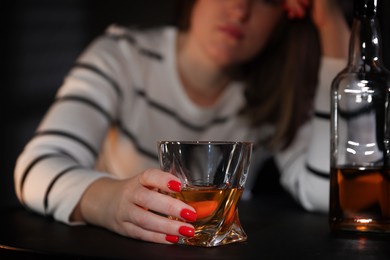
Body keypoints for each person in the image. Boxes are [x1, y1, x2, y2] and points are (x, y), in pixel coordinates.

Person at [14, 0, 350, 244]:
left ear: (285, 16)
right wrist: (110, 201)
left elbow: (325, 194)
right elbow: (36, 166)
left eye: (267, 0)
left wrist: (331, 25)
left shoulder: (275, 93)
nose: (240, 10)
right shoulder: (122, 55)